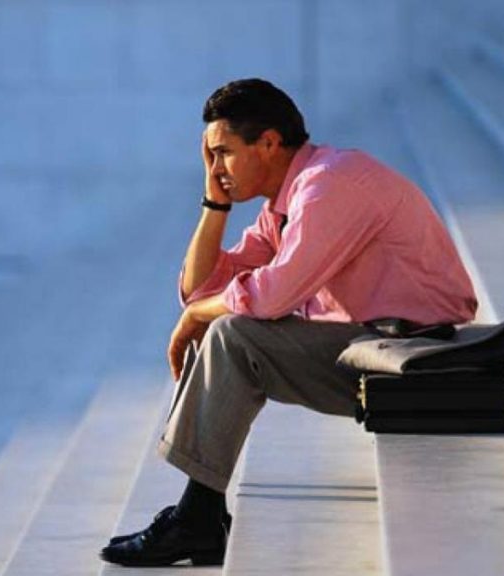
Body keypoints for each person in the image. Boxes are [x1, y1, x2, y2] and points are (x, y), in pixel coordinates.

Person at [99, 78, 477, 567]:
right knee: (226, 323)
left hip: (414, 352)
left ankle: (197, 517)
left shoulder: (330, 184)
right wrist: (214, 204)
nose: (216, 168)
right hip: (375, 345)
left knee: (234, 334)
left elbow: (268, 297)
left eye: (223, 154)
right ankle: (200, 515)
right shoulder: (285, 202)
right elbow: (201, 289)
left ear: (269, 143)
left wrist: (198, 314)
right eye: (210, 158)